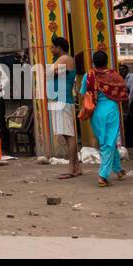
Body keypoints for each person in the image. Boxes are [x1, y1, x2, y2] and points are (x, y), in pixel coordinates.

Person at [79, 50, 128, 187]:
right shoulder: (114, 75)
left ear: (93, 62)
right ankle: (103, 176)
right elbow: (123, 93)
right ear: (107, 62)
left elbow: (83, 94)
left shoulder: (88, 76)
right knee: (108, 143)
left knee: (108, 141)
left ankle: (118, 170)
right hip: (112, 111)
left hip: (95, 112)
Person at [48, 35, 81, 179]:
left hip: (63, 99)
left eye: (52, 47)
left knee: (68, 134)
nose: (51, 49)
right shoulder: (62, 60)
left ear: (59, 48)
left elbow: (48, 72)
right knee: (67, 134)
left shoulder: (65, 59)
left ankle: (71, 168)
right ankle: (76, 166)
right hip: (61, 98)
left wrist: (52, 71)